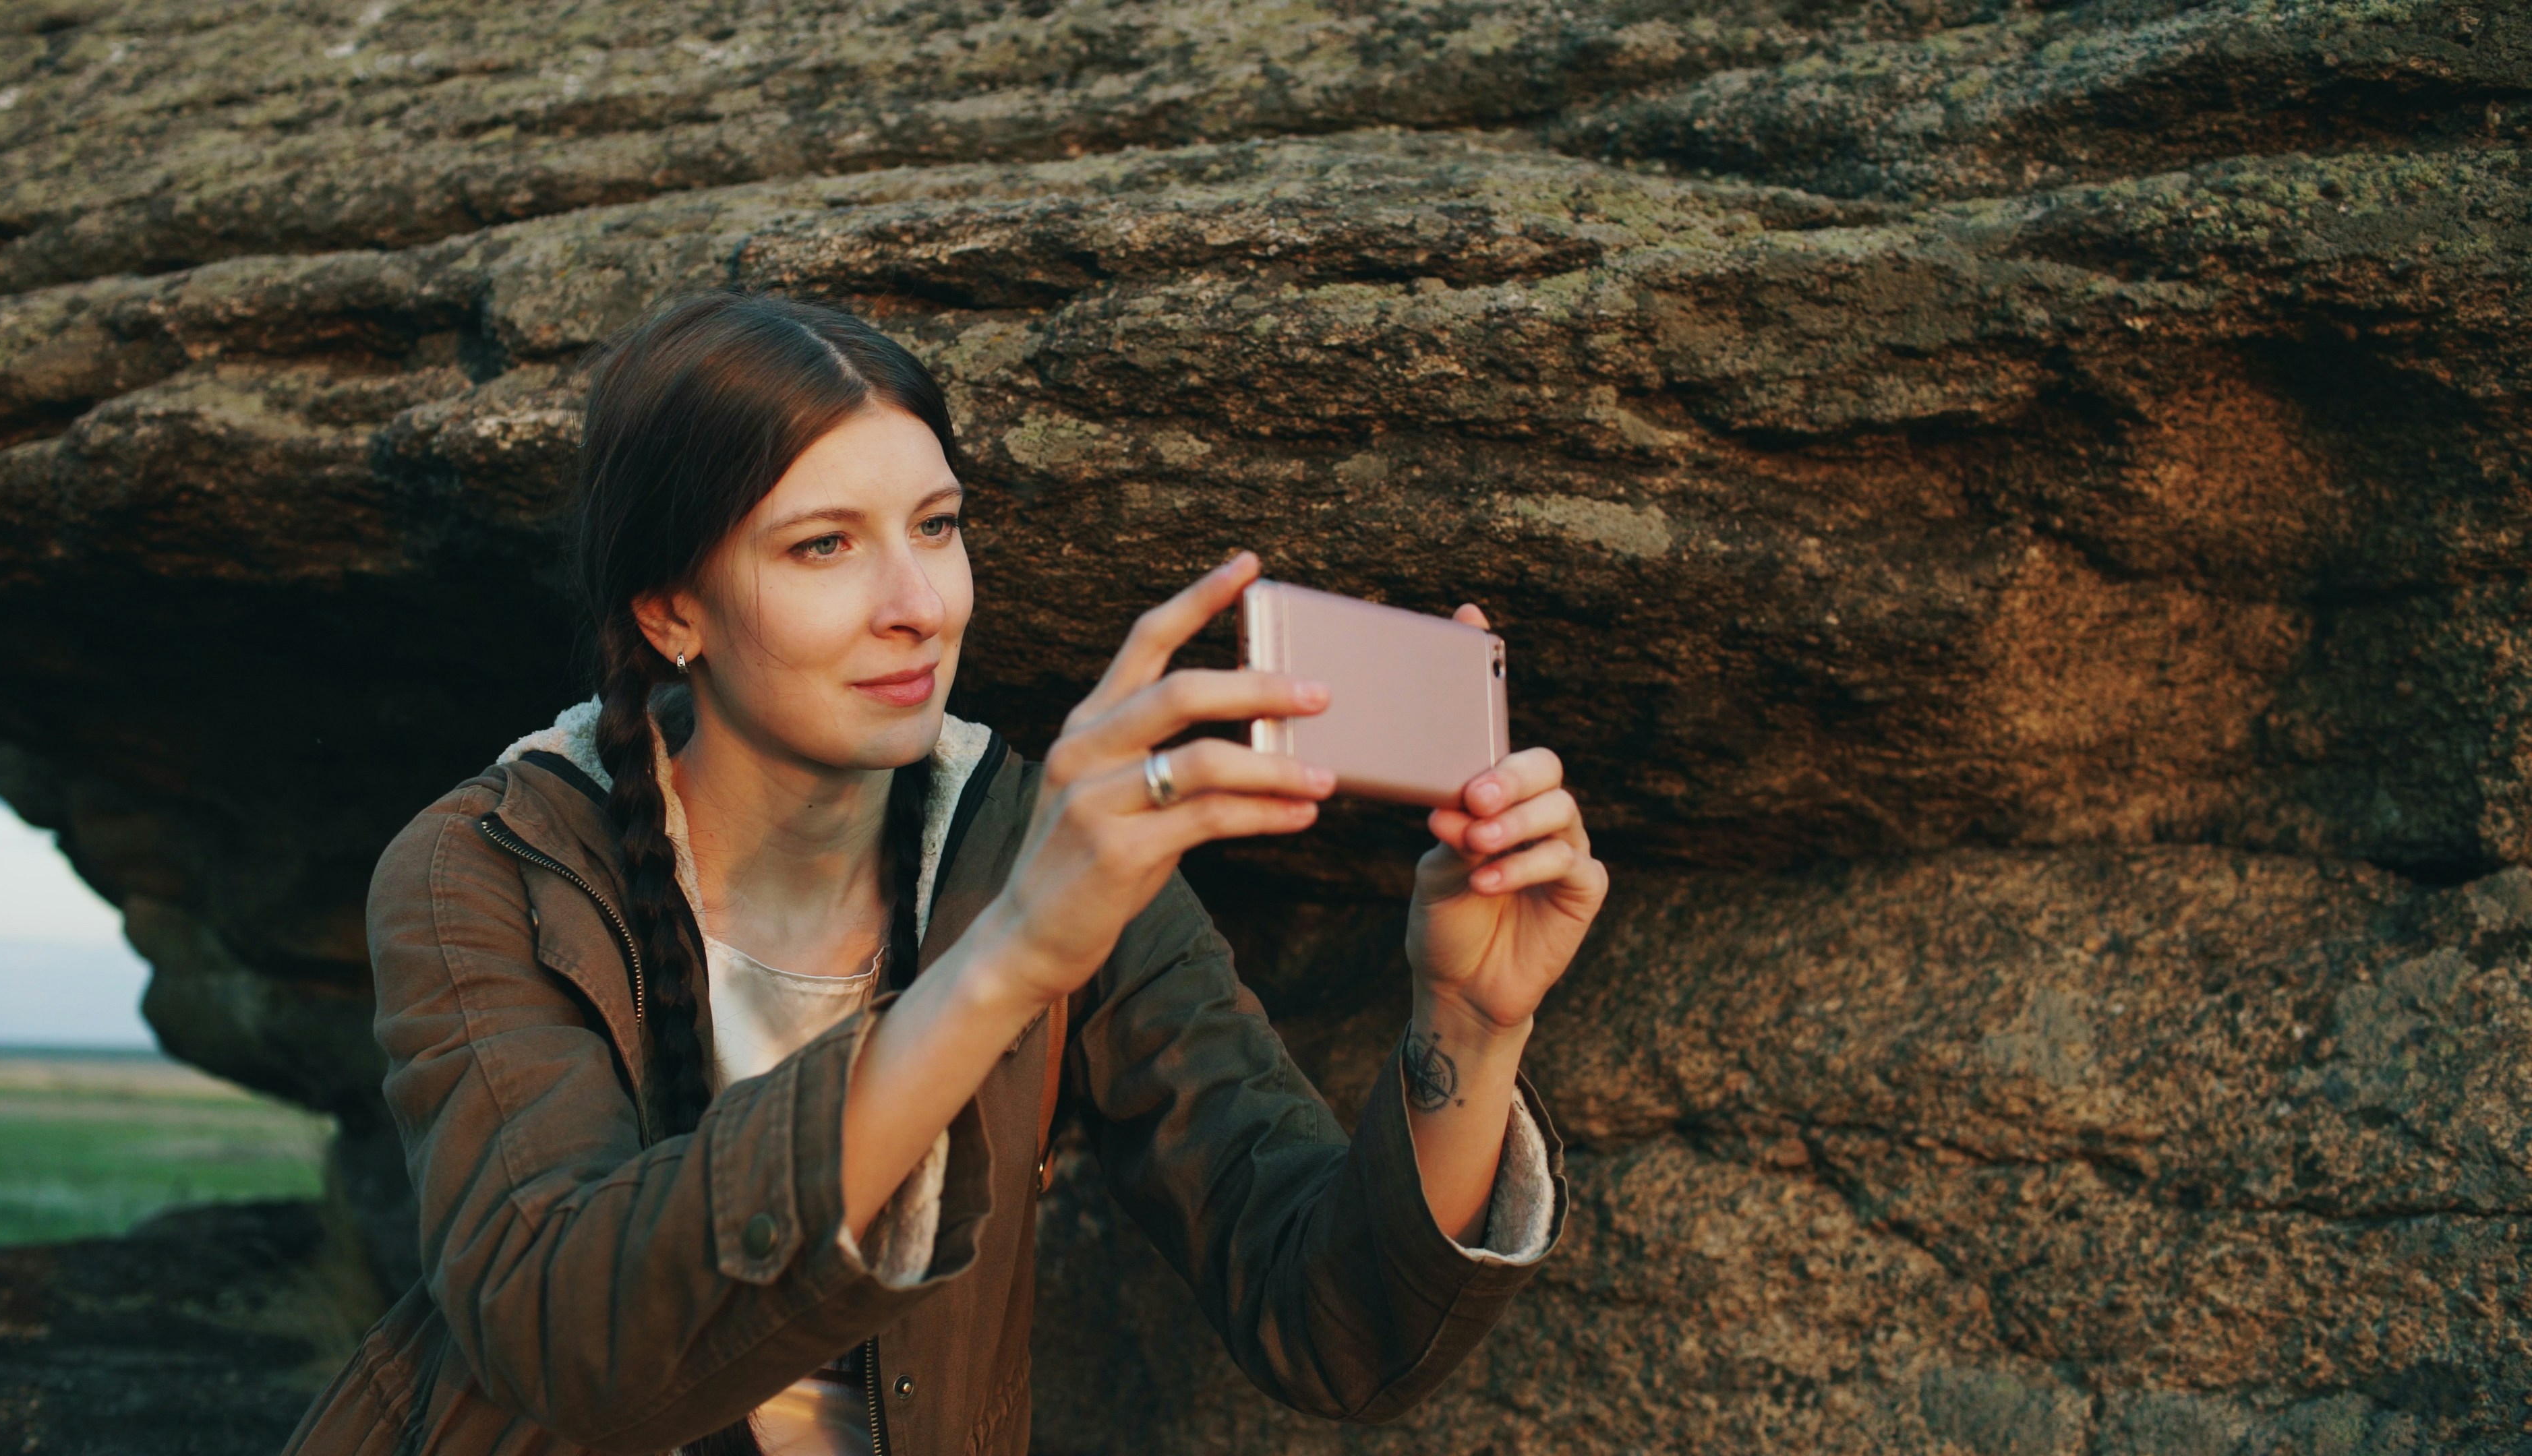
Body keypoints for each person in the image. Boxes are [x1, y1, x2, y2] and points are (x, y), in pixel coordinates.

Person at [286, 290, 1609, 1456]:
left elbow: (1339, 1326)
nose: (919, 601)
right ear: (670, 611)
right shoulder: (491, 871)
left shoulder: (1043, 843)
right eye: (825, 546)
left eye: (937, 524)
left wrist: (1470, 1025)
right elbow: (571, 1346)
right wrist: (1012, 958)